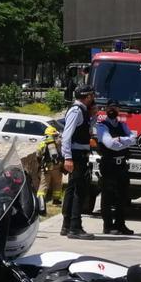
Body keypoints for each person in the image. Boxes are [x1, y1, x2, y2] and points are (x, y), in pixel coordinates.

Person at [60, 85, 96, 239]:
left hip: (78, 154)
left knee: (72, 189)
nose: (93, 99)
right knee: (78, 191)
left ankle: (67, 225)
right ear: (87, 97)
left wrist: (92, 116)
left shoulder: (83, 111)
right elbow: (67, 135)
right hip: (76, 155)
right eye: (92, 96)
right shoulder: (76, 110)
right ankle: (75, 227)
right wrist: (67, 157)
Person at [96, 102, 137, 235]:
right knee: (108, 195)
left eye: (114, 108)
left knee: (122, 196)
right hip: (108, 165)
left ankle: (120, 224)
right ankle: (108, 226)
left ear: (118, 110)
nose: (112, 111)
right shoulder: (102, 125)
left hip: (122, 165)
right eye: (110, 108)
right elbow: (110, 144)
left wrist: (119, 139)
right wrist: (124, 142)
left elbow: (134, 139)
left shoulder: (122, 124)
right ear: (106, 110)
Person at [35, 126, 64, 208]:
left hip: (46, 168)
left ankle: (40, 203)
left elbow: (38, 155)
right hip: (57, 167)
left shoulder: (42, 143)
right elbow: (62, 153)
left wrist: (40, 164)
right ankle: (56, 201)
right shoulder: (58, 142)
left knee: (43, 185)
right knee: (57, 183)